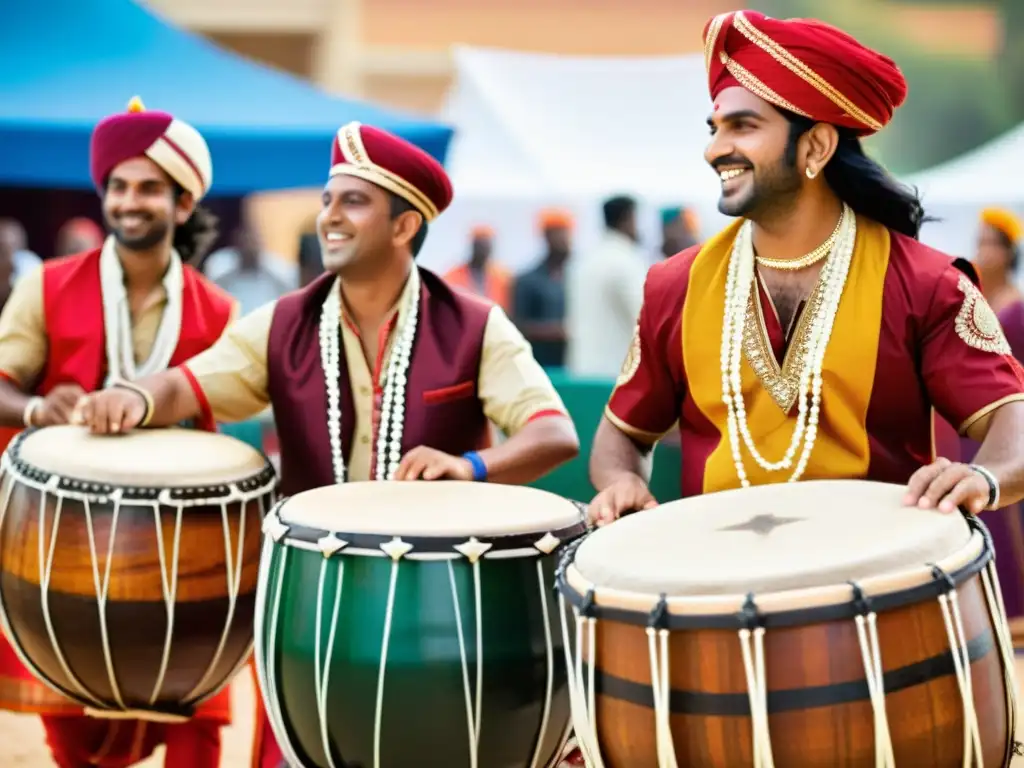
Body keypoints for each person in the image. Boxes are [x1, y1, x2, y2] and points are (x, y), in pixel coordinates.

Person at [71, 120, 581, 768]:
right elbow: (190, 385)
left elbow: (553, 432)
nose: (329, 217)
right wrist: (136, 397)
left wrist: (471, 465)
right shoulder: (284, 323)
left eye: (353, 202)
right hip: (312, 595)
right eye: (327, 200)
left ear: (404, 226)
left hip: (443, 601)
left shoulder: (475, 323)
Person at [587, 10, 1024, 528]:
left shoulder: (926, 284)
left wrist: (987, 477)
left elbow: (1010, 417)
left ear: (815, 146)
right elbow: (622, 435)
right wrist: (622, 482)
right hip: (711, 591)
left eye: (743, 126)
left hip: (878, 586)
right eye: (714, 129)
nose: (713, 150)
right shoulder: (675, 285)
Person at [0, 96, 237, 767]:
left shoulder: (219, 309)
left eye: (150, 189)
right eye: (120, 187)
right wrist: (40, 409)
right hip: (61, 535)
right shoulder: (46, 286)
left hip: (184, 542)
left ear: (182, 206)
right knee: (71, 726)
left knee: (198, 717)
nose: (131, 202)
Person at [962, 207, 1024, 644]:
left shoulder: (1018, 308)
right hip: (975, 429)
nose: (981, 251)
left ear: (1007, 253)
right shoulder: (973, 303)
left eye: (989, 243)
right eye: (978, 242)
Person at [566, 195, 649, 378]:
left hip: (581, 370)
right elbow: (644, 318)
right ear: (628, 219)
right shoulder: (627, 260)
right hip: (616, 373)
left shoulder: (584, 261)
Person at [513, 209, 573, 368]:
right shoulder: (527, 280)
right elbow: (518, 325)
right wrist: (557, 331)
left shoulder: (577, 276)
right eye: (558, 234)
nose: (564, 239)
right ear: (546, 236)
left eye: (566, 233)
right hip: (539, 364)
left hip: (572, 363)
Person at [443, 224, 513, 312]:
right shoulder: (453, 275)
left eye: (486, 246)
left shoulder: (503, 277)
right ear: (473, 246)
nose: (484, 251)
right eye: (480, 245)